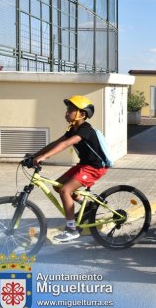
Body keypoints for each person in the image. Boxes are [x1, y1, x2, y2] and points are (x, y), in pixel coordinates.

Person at [31, 95, 109, 242]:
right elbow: (56, 143)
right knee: (58, 186)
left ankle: (72, 229)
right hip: (84, 165)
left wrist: (44, 157)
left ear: (82, 114)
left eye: (70, 110)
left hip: (95, 167)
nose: (66, 113)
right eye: (67, 110)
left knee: (65, 190)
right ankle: (88, 204)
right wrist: (35, 155)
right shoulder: (73, 129)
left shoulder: (85, 129)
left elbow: (66, 144)